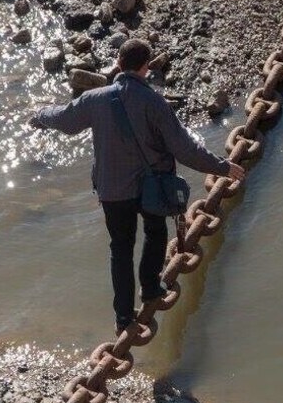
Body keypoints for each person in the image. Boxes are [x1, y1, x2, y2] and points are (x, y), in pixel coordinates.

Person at [30, 39, 245, 333]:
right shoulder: (154, 102)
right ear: (146, 67)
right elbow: (185, 150)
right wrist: (222, 167)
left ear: (119, 62)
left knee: (120, 249)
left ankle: (122, 317)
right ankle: (151, 288)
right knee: (155, 233)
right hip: (150, 188)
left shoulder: (94, 99)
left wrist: (41, 116)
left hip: (112, 191)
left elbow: (65, 120)